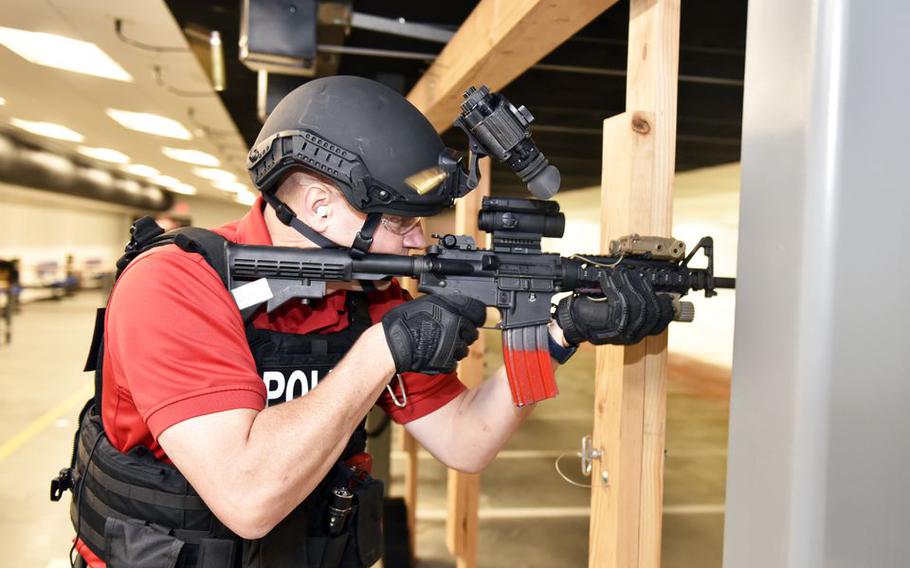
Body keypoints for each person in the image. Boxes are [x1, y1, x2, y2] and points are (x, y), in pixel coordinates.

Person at [58, 76, 674, 568]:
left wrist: (559, 333)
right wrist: (383, 350)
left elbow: (467, 441)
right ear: (322, 205)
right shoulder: (176, 284)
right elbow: (247, 498)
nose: (418, 241)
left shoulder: (369, 291)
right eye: (403, 221)